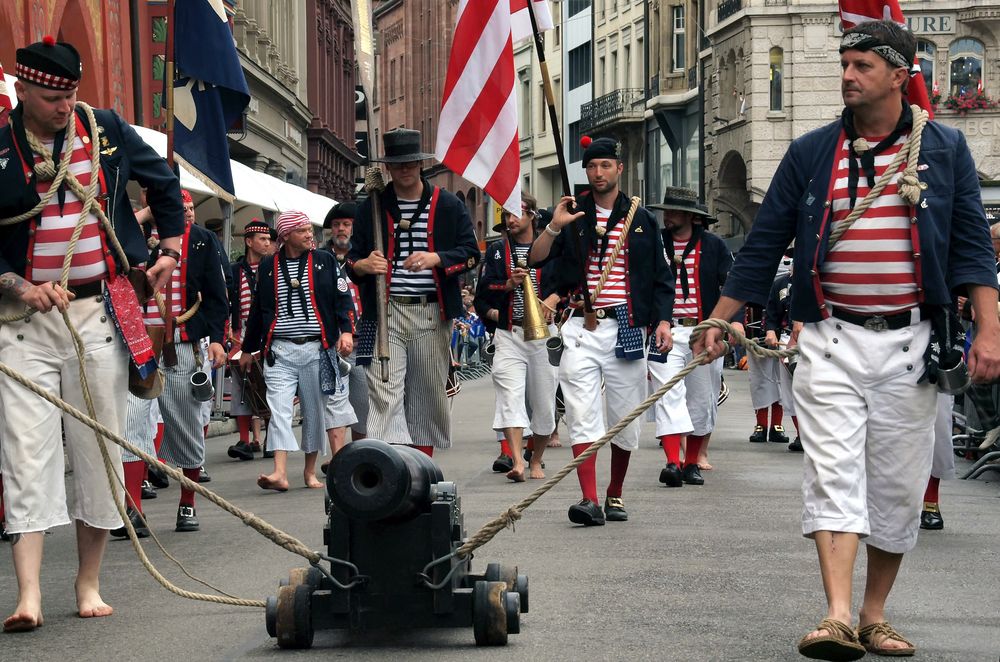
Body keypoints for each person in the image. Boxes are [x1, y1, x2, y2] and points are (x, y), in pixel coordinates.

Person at [693, 20, 1000, 660]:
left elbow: (973, 249)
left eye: (862, 65)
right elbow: (763, 246)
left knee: (897, 487)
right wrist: (721, 320)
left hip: (913, 345)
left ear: (898, 74)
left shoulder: (943, 150)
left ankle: (873, 613)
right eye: (844, 64)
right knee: (833, 476)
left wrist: (989, 331)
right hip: (830, 339)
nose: (848, 75)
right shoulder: (810, 153)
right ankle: (835, 615)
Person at [0, 36, 184, 630]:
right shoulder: (0, 145)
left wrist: (173, 248)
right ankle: (27, 594)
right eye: (51, 95)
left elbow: (165, 181)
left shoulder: (103, 128)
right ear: (21, 89)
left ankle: (87, 583)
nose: (62, 105)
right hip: (23, 323)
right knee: (25, 453)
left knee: (99, 448)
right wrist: (19, 286)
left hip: (98, 314)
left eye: (69, 93)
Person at [529, 136, 672, 526]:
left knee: (625, 415)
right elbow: (536, 258)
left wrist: (662, 320)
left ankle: (615, 494)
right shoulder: (573, 213)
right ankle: (588, 498)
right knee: (580, 411)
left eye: (606, 166)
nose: (598, 173)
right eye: (592, 167)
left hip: (626, 323)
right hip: (580, 325)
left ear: (619, 169)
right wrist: (555, 228)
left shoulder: (641, 218)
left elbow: (662, 276)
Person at [347, 128, 480, 455]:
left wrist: (437, 258)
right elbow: (352, 258)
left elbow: (472, 253)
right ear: (389, 168)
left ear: (420, 165)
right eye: (398, 164)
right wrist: (363, 265)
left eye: (410, 163)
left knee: (426, 395)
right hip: (386, 311)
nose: (405, 169)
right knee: (384, 392)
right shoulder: (372, 207)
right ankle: (391, 469)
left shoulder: (447, 205)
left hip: (433, 313)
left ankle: (421, 471)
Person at [241, 210, 354, 491]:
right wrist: (247, 349)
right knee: (279, 410)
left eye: (309, 229)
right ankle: (279, 471)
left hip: (316, 349)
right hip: (279, 351)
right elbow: (257, 311)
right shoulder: (268, 267)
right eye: (302, 230)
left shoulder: (324, 261)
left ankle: (309, 470)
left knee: (314, 412)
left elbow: (343, 299)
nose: (309, 235)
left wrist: (347, 331)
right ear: (286, 235)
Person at [646, 188, 735, 487]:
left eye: (672, 211)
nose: (666, 216)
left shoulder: (714, 246)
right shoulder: (655, 243)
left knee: (702, 399)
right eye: (665, 211)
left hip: (703, 330)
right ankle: (672, 461)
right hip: (665, 329)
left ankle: (692, 462)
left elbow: (731, 286)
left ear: (691, 217)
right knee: (668, 393)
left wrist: (730, 326)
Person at [152, 189, 229, 532]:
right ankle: (131, 505)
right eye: (176, 207)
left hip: (183, 341)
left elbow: (216, 294)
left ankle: (187, 501)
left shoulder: (201, 240)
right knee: (129, 423)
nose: (186, 214)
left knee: (185, 419)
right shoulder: (138, 235)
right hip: (139, 342)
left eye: (188, 208)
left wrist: (215, 339)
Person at [475, 192, 560, 481]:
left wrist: (554, 299)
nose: (510, 219)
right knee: (509, 396)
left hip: (543, 336)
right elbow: (482, 293)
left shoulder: (551, 248)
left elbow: (567, 281)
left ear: (532, 216)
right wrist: (506, 285)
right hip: (509, 334)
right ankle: (517, 461)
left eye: (516, 213)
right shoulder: (498, 252)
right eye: (507, 214)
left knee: (545, 404)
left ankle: (535, 459)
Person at [319, 202, 365, 467]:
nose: (340, 229)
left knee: (363, 402)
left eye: (346, 224)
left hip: (362, 338)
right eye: (336, 225)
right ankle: (339, 459)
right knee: (334, 399)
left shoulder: (364, 258)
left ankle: (359, 454)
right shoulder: (323, 260)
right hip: (333, 340)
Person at [226, 220, 276, 461]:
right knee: (241, 386)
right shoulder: (234, 270)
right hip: (241, 333)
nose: (267, 243)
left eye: (269, 239)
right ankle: (244, 440)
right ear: (248, 242)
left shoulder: (273, 267)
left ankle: (270, 439)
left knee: (268, 386)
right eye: (262, 239)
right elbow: (228, 302)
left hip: (268, 333)